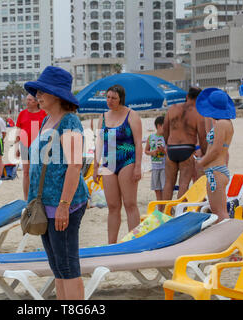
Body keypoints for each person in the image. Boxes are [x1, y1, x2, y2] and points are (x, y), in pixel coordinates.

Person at [24, 66, 89, 300]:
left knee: (68, 267)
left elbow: (74, 165)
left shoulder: (69, 122)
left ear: (57, 95)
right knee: (58, 267)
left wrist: (63, 204)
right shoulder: (47, 120)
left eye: (42, 92)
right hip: (45, 204)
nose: (37, 96)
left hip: (64, 204)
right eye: (37, 91)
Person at [93, 84, 143, 244]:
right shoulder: (103, 116)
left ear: (121, 98)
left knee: (130, 204)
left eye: (113, 98)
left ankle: (133, 242)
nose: (110, 101)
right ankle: (111, 244)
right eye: (108, 97)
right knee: (113, 206)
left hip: (127, 160)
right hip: (109, 163)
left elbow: (138, 143)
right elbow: (99, 143)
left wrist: (138, 166)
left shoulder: (132, 115)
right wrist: (95, 167)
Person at [195, 88, 235, 222]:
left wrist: (202, 161)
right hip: (217, 171)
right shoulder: (225, 123)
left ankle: (228, 240)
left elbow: (216, 149)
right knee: (219, 211)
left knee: (220, 213)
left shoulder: (221, 125)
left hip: (215, 171)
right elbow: (210, 135)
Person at [162, 87, 207, 202]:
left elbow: (165, 129)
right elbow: (202, 137)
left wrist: (167, 144)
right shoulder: (198, 114)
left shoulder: (172, 109)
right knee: (183, 184)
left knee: (168, 184)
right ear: (199, 99)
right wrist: (205, 154)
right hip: (187, 149)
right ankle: (178, 213)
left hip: (172, 148)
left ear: (187, 96)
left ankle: (162, 212)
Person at [15, 94, 47, 200]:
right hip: (24, 146)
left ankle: (38, 197)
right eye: (27, 100)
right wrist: (16, 147)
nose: (27, 102)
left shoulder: (44, 114)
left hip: (39, 148)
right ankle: (27, 198)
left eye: (30, 100)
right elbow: (18, 132)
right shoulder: (22, 114)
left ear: (37, 102)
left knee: (39, 173)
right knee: (26, 173)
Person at [145, 116, 166, 210]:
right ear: (159, 126)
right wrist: (152, 153)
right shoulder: (151, 137)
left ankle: (166, 207)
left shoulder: (167, 138)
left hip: (165, 167)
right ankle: (160, 208)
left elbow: (169, 152)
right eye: (165, 126)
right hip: (155, 167)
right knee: (157, 189)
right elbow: (146, 151)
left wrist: (163, 151)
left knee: (165, 189)